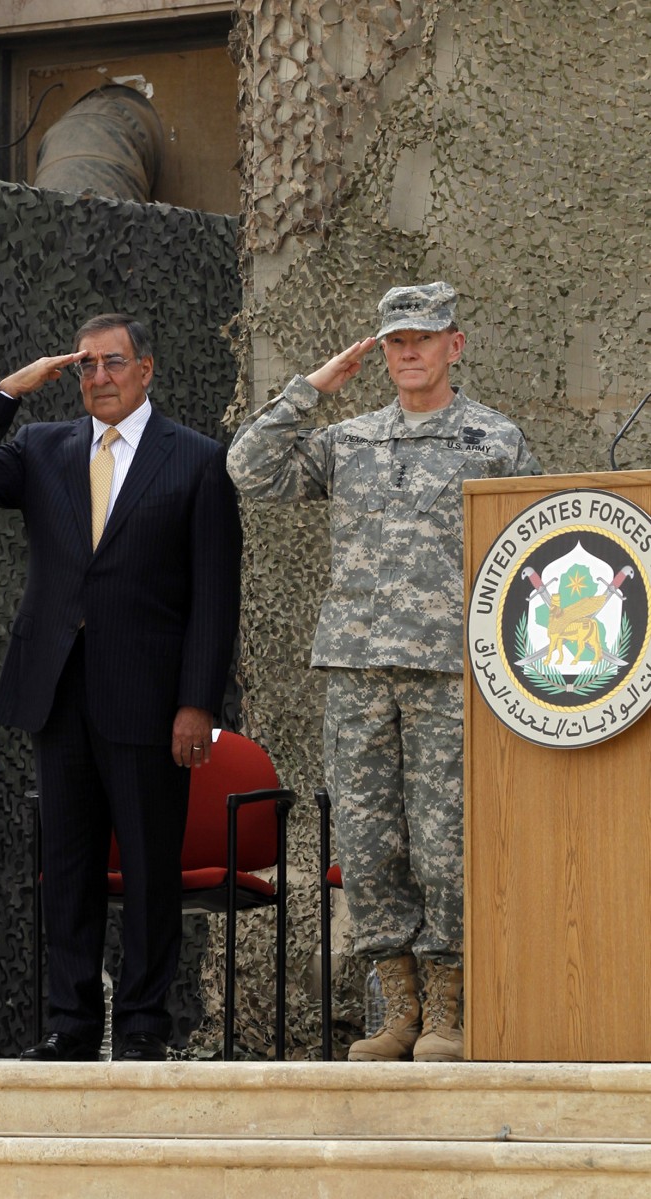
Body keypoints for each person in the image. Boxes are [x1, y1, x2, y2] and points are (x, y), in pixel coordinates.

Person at [227, 282, 539, 1062]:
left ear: (453, 346)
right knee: (368, 847)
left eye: (423, 339)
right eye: (395, 340)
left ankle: (448, 1012)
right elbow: (248, 468)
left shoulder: (494, 442)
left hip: (451, 669)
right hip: (359, 669)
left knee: (445, 845)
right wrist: (314, 387)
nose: (408, 353)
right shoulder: (352, 439)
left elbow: (536, 545)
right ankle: (395, 1009)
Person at [0, 313, 241, 1061]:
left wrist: (197, 702)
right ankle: (69, 1024)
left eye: (113, 362)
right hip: (58, 693)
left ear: (146, 369)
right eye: (85, 366)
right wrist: (12, 388)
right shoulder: (44, 447)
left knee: (147, 869)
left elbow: (215, 594)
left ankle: (142, 1025)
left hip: (150, 699)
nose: (99, 376)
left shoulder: (197, 459)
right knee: (66, 868)